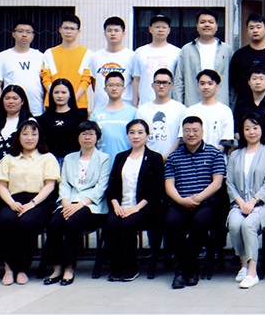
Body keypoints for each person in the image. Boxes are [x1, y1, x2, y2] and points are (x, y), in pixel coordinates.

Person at [0, 118, 60, 286]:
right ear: (18, 136)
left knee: (26, 223)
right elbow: (2, 186)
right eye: (25, 134)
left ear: (39, 137)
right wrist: (11, 203)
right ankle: (8, 269)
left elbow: (50, 186)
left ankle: (22, 269)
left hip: (38, 202)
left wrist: (32, 204)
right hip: (13, 200)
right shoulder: (9, 159)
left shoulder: (47, 158)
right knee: (6, 221)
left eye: (34, 134)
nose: (29, 138)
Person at [42, 121, 112, 286]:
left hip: (91, 205)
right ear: (77, 137)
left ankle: (69, 268)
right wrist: (66, 202)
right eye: (83, 134)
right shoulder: (69, 158)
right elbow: (64, 183)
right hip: (69, 202)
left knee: (72, 223)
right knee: (54, 223)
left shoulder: (104, 158)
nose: (87, 137)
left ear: (97, 137)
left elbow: (101, 186)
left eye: (91, 134)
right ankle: (56, 268)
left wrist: (81, 204)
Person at [164, 116, 227, 289]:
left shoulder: (214, 153)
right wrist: (181, 200)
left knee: (200, 221)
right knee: (171, 221)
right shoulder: (174, 157)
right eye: (187, 131)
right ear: (182, 133)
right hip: (180, 202)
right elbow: (169, 185)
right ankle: (190, 268)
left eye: (195, 130)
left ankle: (182, 269)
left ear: (202, 132)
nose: (191, 134)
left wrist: (197, 199)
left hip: (206, 203)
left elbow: (217, 183)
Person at [105, 119, 165, 282]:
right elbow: (111, 184)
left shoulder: (154, 158)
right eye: (132, 133)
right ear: (127, 135)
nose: (136, 136)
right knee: (111, 223)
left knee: (127, 224)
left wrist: (136, 208)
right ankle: (116, 267)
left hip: (144, 208)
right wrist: (116, 205)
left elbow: (156, 188)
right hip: (120, 206)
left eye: (140, 132)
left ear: (147, 135)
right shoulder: (120, 157)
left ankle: (130, 268)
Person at [225, 114, 265, 289]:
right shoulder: (235, 155)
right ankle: (243, 264)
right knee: (235, 224)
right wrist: (242, 203)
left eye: (255, 128)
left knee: (248, 224)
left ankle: (253, 272)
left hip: (264, 204)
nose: (251, 132)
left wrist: (253, 201)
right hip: (240, 204)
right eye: (247, 128)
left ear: (262, 130)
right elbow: (229, 183)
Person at [173, 9, 234, 107]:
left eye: (210, 22)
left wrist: (231, 105)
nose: (207, 25)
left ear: (216, 26)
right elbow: (179, 81)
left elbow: (232, 83)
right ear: (197, 26)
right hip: (193, 105)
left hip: (220, 105)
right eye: (202, 22)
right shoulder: (187, 50)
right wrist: (179, 106)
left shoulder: (226, 50)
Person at [0, 18, 45, 116]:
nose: (24, 34)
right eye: (20, 31)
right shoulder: (2, 56)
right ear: (13, 34)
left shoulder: (40, 56)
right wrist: (1, 111)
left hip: (37, 110)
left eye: (28, 32)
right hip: (12, 111)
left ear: (33, 35)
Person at [229, 13, 265, 106]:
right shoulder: (239, 54)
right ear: (247, 31)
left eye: (258, 27)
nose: (255, 30)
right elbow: (234, 82)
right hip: (244, 105)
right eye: (251, 28)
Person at [41, 14, 93, 110]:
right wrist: (56, 97)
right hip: (53, 105)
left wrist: (72, 101)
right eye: (66, 28)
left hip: (78, 105)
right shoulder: (49, 53)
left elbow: (86, 80)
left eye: (72, 29)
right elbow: (46, 78)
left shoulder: (87, 54)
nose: (68, 31)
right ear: (60, 29)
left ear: (78, 31)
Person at [130, 14, 181, 106]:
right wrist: (135, 103)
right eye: (157, 27)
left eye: (164, 27)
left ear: (169, 30)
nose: (160, 30)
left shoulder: (177, 52)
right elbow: (136, 79)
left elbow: (179, 81)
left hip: (169, 104)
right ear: (150, 29)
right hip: (145, 103)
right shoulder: (140, 52)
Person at [135, 68, 186, 157]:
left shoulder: (180, 109)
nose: (161, 86)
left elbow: (180, 137)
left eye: (165, 83)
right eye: (158, 82)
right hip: (148, 159)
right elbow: (139, 136)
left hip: (173, 159)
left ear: (171, 86)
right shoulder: (142, 110)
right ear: (152, 85)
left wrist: (167, 156)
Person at [232, 65, 265, 148]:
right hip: (246, 149)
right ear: (249, 82)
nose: (258, 82)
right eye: (254, 78)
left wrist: (262, 150)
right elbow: (237, 131)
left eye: (261, 79)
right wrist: (249, 147)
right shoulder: (241, 105)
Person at [89, 16, 135, 112]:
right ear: (104, 33)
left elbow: (135, 82)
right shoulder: (95, 56)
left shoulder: (132, 56)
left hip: (125, 109)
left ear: (123, 33)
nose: (113, 33)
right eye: (109, 30)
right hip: (101, 108)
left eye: (116, 30)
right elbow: (94, 82)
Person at [184, 69, 235, 153]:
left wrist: (213, 155)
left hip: (217, 157)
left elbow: (227, 140)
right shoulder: (190, 111)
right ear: (197, 86)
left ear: (217, 86)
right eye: (202, 83)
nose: (206, 87)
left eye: (210, 83)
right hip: (193, 157)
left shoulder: (225, 111)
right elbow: (184, 138)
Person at [90, 72, 138, 159]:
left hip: (126, 161)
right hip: (102, 162)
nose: (114, 88)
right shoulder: (96, 114)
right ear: (105, 89)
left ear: (124, 89)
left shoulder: (133, 112)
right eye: (110, 85)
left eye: (118, 85)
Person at [38, 79, 88, 162]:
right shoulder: (44, 118)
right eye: (56, 92)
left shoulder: (80, 117)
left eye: (64, 92)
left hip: (73, 160)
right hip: (50, 161)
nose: (60, 96)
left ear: (70, 94)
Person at [0, 85, 33, 160]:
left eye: (15, 98)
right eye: (7, 98)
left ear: (22, 101)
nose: (11, 102)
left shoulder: (30, 121)